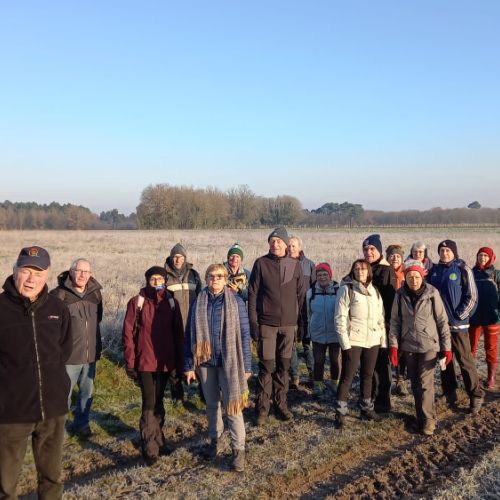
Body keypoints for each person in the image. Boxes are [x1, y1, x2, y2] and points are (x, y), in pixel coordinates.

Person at [0, 246, 72, 498]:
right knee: (5, 484)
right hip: (11, 413)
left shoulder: (57, 308)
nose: (31, 279)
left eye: (38, 273)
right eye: (26, 271)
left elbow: (64, 350)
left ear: (47, 275)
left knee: (52, 478)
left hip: (53, 409)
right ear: (14, 271)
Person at [184, 264, 251, 472]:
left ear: (225, 279)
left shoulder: (236, 302)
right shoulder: (198, 302)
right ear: (206, 278)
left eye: (220, 276)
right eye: (211, 276)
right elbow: (189, 335)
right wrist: (189, 365)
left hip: (229, 362)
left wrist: (247, 365)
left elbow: (245, 334)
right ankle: (215, 442)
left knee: (233, 407)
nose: (215, 279)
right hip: (205, 363)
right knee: (212, 405)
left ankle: (238, 451)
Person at [122, 266, 184, 465]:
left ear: (165, 281)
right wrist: (130, 362)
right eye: (153, 279)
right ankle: (149, 447)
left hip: (165, 361)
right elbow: (128, 334)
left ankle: (159, 440)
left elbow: (178, 334)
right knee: (149, 403)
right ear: (147, 280)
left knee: (159, 402)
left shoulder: (172, 302)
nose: (157, 282)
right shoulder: (137, 302)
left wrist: (179, 361)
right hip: (145, 361)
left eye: (160, 278)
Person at [248, 226, 305, 425]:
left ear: (286, 243)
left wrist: (301, 323)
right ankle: (262, 409)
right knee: (266, 367)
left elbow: (301, 296)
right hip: (267, 324)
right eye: (272, 241)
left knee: (284, 366)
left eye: (279, 240)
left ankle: (281, 405)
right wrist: (253, 322)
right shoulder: (261, 263)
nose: (275, 244)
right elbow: (253, 294)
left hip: (288, 325)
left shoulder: (294, 265)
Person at [389, 260, 452, 435]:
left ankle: (429, 421)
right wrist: (394, 345)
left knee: (425, 383)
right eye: (410, 277)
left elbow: (442, 320)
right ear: (406, 278)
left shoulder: (432, 293)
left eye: (416, 277)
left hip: (429, 344)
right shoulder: (400, 295)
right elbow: (395, 321)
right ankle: (420, 417)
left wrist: (446, 347)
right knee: (415, 383)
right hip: (408, 344)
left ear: (422, 276)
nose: (414, 280)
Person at [429, 239, 484, 413]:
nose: (444, 253)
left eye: (448, 251)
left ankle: (475, 395)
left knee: (465, 361)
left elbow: (472, 296)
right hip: (439, 326)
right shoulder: (434, 271)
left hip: (458, 326)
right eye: (442, 251)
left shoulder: (462, 269)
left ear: (454, 252)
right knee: (444, 361)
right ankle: (449, 392)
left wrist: (459, 316)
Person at [51, 258, 103, 438]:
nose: (82, 275)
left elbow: (98, 319)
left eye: (86, 272)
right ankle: (59, 430)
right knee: (63, 394)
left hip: (90, 354)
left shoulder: (96, 293)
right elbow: (50, 327)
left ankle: (82, 424)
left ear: (90, 274)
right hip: (68, 356)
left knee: (87, 393)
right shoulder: (58, 295)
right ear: (71, 271)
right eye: (79, 271)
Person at [334, 259, 386, 428]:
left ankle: (366, 408)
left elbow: (380, 317)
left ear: (368, 271)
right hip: (354, 340)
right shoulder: (347, 289)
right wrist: (345, 343)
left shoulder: (374, 291)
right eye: (356, 269)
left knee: (367, 375)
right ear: (353, 271)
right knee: (347, 376)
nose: (360, 271)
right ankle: (340, 411)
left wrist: (382, 341)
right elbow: (340, 318)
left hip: (372, 340)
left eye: (363, 269)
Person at [362, 234, 396, 413]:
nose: (368, 252)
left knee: (382, 364)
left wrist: (387, 325)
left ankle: (383, 401)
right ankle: (371, 397)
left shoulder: (386, 270)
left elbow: (389, 300)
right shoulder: (363, 268)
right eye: (366, 249)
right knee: (370, 363)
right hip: (365, 324)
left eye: (372, 249)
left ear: (379, 251)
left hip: (382, 324)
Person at [164, 243, 202, 401]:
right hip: (173, 326)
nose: (177, 260)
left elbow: (200, 297)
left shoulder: (194, 275)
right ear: (171, 258)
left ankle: (204, 392)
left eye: (180, 257)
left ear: (185, 258)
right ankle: (177, 394)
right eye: (175, 257)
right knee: (175, 361)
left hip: (192, 324)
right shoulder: (164, 276)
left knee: (198, 358)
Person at [307, 263, 341, 397]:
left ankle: (335, 383)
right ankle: (318, 385)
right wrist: (309, 331)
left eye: (325, 274)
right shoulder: (311, 293)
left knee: (335, 360)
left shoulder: (339, 291)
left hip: (335, 333)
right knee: (318, 361)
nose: (322, 277)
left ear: (330, 275)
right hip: (318, 333)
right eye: (319, 275)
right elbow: (308, 313)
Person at [469, 247, 500, 389]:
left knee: (491, 347)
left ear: (491, 258)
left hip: (492, 318)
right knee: (471, 347)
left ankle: (491, 377)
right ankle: (470, 375)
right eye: (480, 255)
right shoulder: (471, 273)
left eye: (485, 256)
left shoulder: (496, 274)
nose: (482, 258)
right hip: (474, 317)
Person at [288, 235, 316, 388]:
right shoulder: (283, 264)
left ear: (300, 247)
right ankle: (294, 376)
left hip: (306, 310)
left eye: (294, 246)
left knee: (307, 342)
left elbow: (315, 287)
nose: (291, 248)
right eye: (289, 246)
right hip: (288, 310)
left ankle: (313, 375)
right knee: (290, 343)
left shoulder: (309, 265)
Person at [386, 244, 407, 396]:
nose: (395, 259)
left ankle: (400, 380)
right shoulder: (383, 272)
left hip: (404, 316)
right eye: (392, 256)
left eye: (398, 256)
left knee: (402, 350)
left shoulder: (407, 273)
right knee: (388, 348)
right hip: (387, 316)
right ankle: (388, 380)